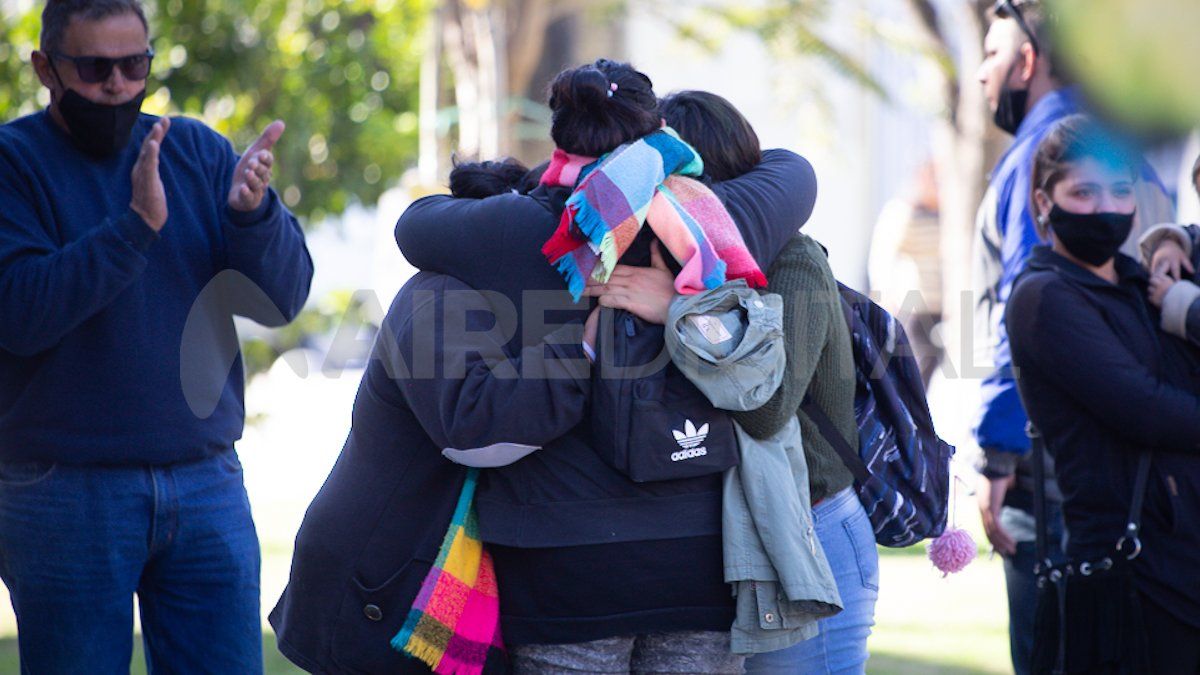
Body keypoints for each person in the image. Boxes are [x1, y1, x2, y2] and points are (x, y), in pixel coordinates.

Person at [272, 59, 817, 673]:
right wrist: (656, 169)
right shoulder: (713, 224)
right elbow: (794, 170)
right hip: (695, 561)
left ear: (560, 132)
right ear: (656, 134)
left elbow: (417, 224)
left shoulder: (517, 232)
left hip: (564, 565)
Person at [0, 0, 313, 671]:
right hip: (64, 492)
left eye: (134, 64)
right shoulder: (12, 162)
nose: (117, 84)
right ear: (45, 69)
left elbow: (284, 299)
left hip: (205, 481)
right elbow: (20, 314)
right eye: (94, 67)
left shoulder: (196, 150)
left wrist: (253, 218)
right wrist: (135, 226)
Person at [970, 4, 1172, 672]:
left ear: (1028, 61)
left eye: (993, 56)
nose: (980, 75)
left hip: (1060, 471)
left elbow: (1024, 311)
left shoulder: (1050, 152)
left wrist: (999, 454)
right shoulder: (1123, 140)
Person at [651, 89, 877, 673]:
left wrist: (673, 313)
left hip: (814, 530)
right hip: (746, 538)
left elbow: (766, 410)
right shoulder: (679, 267)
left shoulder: (792, 260)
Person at [1007, 114, 1200, 673]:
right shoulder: (1045, 298)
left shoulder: (1146, 284)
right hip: (1129, 568)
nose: (1106, 208)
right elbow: (1145, 409)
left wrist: (1179, 241)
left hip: (1182, 558)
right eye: (1083, 192)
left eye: (1120, 191)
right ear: (1044, 201)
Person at [868, 160, 942, 386]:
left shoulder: (944, 216)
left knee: (932, 357)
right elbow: (883, 255)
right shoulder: (904, 212)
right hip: (916, 302)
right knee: (920, 360)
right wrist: (884, 293)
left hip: (941, 302)